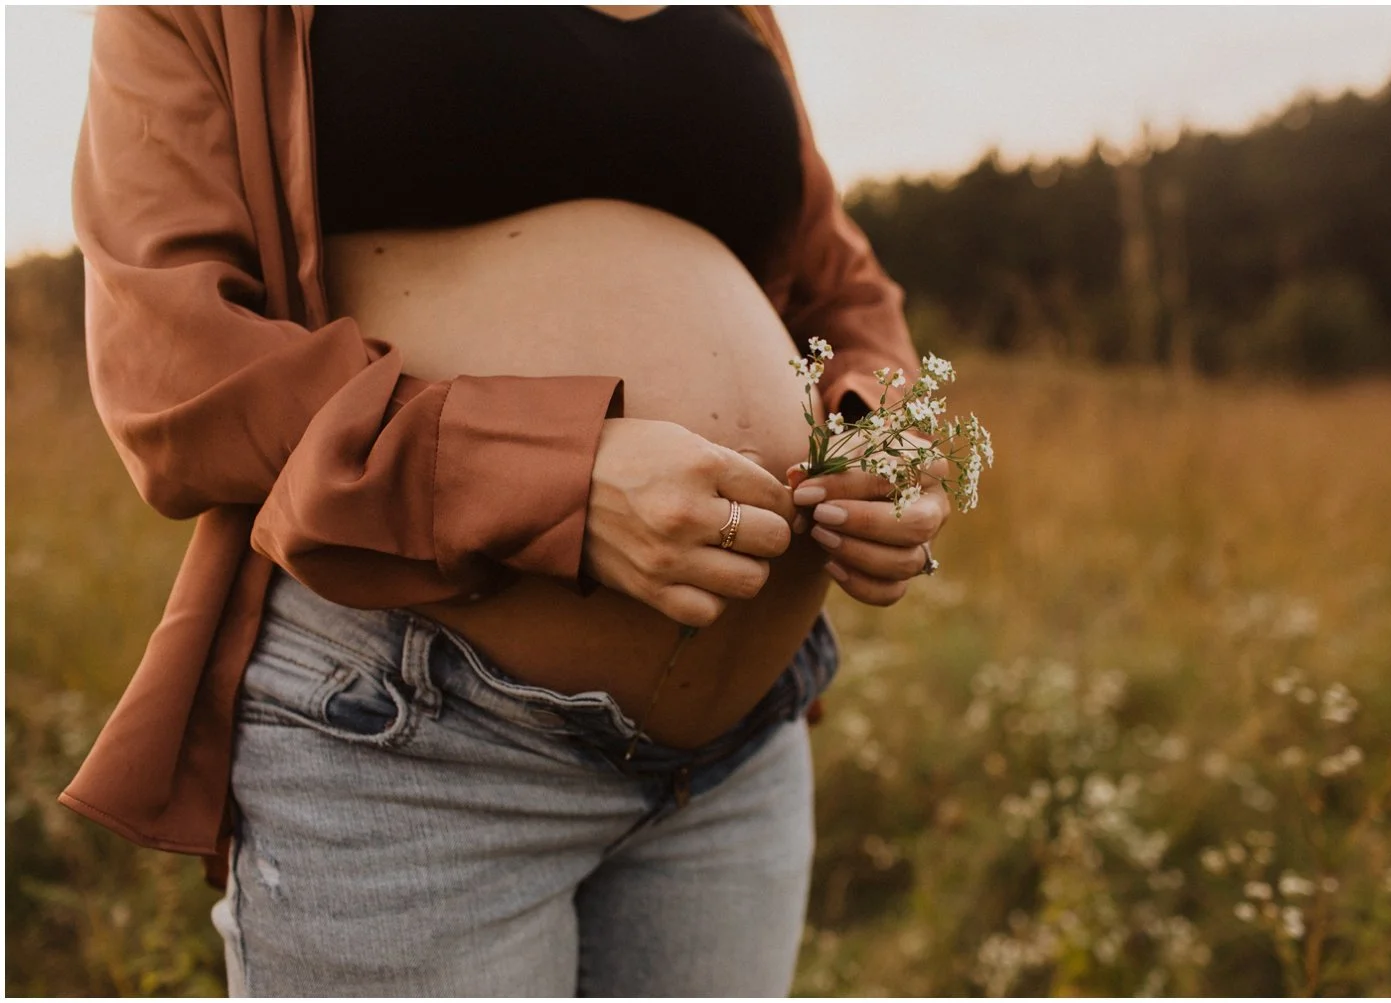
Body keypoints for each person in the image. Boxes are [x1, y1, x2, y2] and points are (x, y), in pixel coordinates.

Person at [66, 5, 950, 995]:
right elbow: (178, 367)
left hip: (735, 771)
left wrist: (878, 436)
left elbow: (844, 289)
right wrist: (555, 479)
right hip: (415, 750)